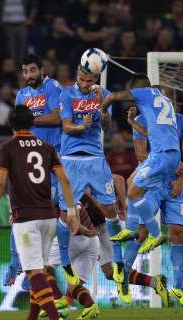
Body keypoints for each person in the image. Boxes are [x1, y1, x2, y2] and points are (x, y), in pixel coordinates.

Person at [0, 105, 77, 320]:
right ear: (32, 123)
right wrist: (71, 211)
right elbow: (64, 179)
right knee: (40, 271)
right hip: (49, 217)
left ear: (11, 124)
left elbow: (0, 181)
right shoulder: (47, 147)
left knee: (33, 273)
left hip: (26, 219)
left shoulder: (7, 147)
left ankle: (55, 318)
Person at [101, 73, 183, 302]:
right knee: (136, 232)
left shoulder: (145, 96)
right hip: (163, 161)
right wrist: (133, 124)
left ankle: (156, 235)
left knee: (131, 192)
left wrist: (105, 103)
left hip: (155, 163)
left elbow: (118, 96)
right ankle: (124, 280)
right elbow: (148, 140)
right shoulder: (161, 104)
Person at [59, 65, 123, 288]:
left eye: (88, 80)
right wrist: (81, 126)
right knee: (65, 212)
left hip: (95, 157)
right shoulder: (66, 93)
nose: (84, 84)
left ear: (96, 78)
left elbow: (107, 126)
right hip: (71, 159)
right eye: (81, 79)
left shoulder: (103, 94)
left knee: (110, 210)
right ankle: (64, 262)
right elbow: (66, 127)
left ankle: (120, 261)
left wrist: (103, 108)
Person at [126, 104, 183, 306]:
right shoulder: (140, 121)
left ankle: (179, 288)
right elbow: (140, 155)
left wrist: (182, 179)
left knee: (177, 231)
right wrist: (170, 164)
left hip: (174, 182)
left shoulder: (180, 120)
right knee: (141, 232)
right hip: (151, 182)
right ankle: (124, 279)